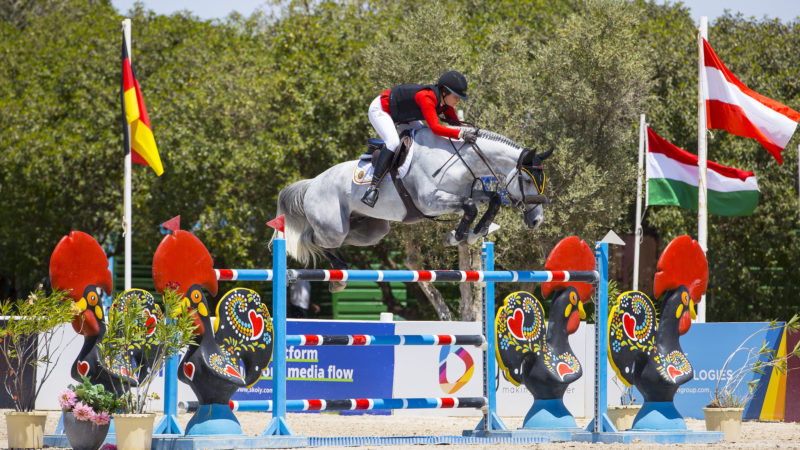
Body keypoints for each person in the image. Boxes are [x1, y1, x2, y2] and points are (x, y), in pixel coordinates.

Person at [361, 70, 478, 207]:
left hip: (405, 116)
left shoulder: (445, 103)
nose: (458, 100)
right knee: (393, 142)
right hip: (382, 110)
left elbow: (456, 124)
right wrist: (462, 135)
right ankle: (373, 188)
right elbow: (436, 128)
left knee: (423, 135)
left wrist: (471, 131)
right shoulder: (426, 97)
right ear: (445, 91)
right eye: (456, 96)